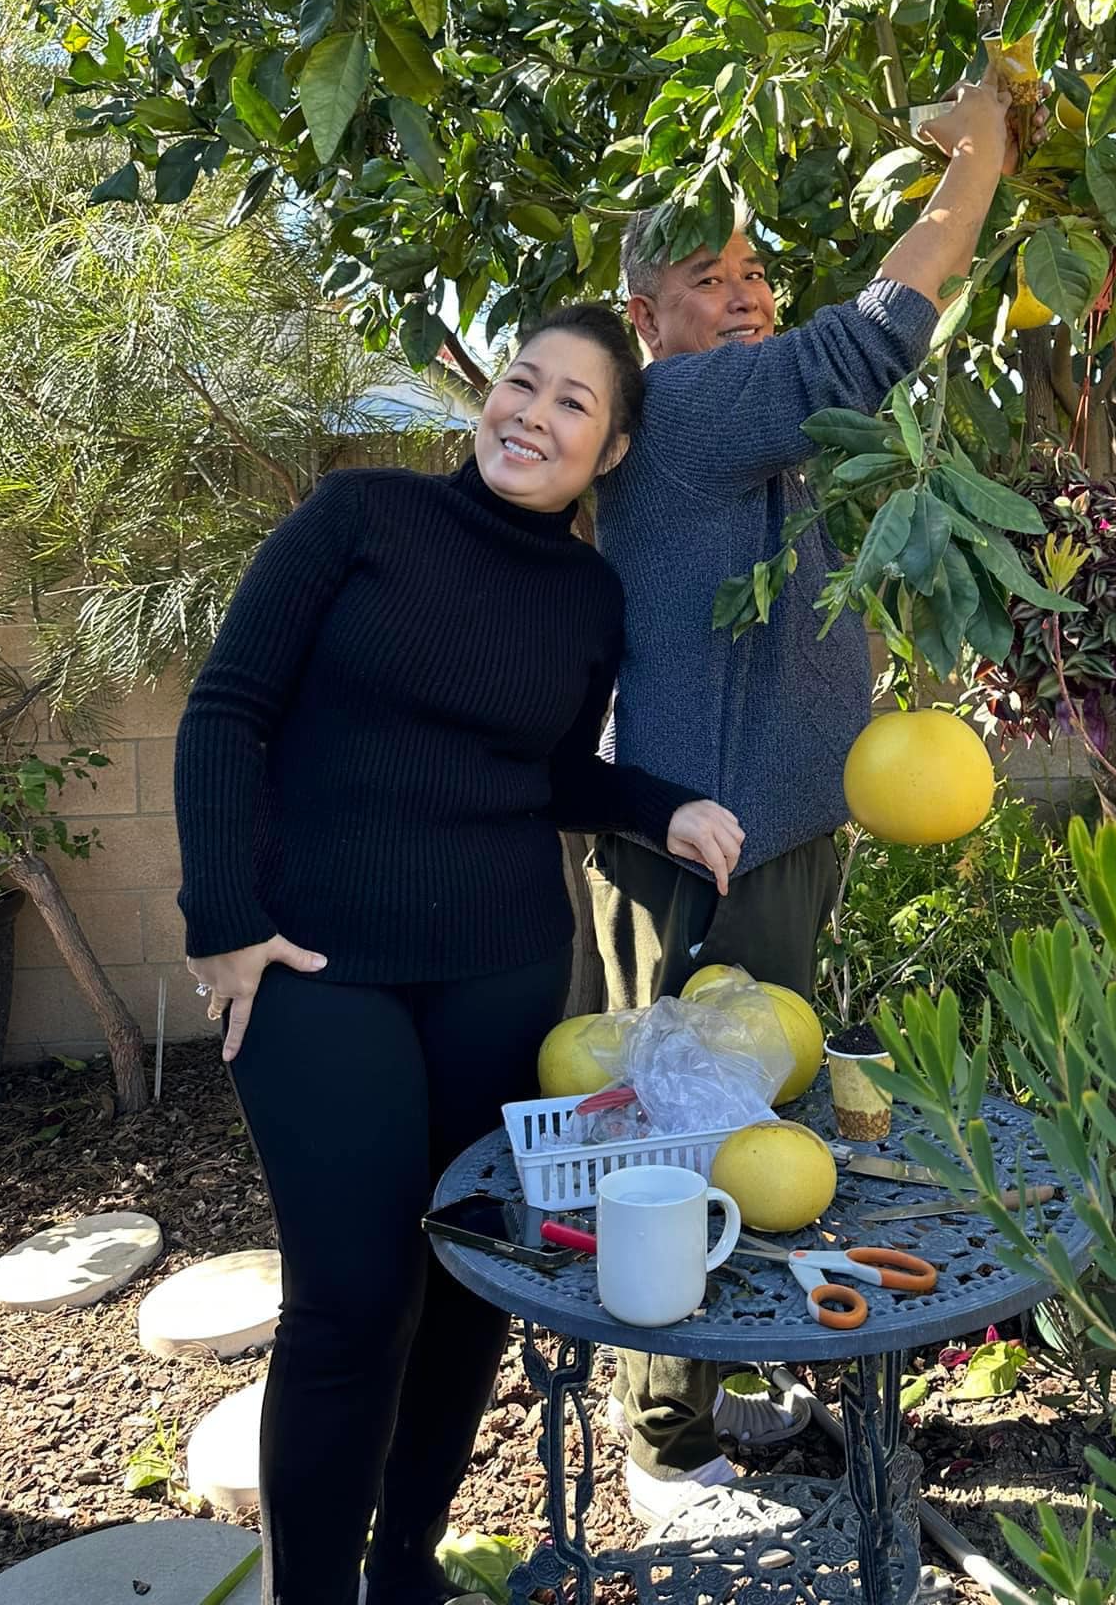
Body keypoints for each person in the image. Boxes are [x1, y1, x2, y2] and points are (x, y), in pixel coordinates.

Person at [176, 304, 744, 1605]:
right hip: (320, 967)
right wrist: (222, 920)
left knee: (466, 1282)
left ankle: (408, 1570)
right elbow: (228, 711)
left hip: (497, 967)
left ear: (608, 454)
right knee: (352, 1299)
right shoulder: (359, 520)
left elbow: (539, 768)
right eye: (521, 383)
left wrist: (659, 806)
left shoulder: (588, 597)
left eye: (572, 405)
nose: (531, 415)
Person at [588, 75, 1030, 1526]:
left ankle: (710, 1376)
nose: (744, 295)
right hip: (697, 847)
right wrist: (977, 159)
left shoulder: (754, 429)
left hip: (773, 830)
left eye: (754, 269)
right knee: (672, 1122)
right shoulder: (697, 405)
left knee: (758, 1109)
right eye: (706, 280)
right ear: (646, 316)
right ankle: (667, 1445)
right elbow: (883, 329)